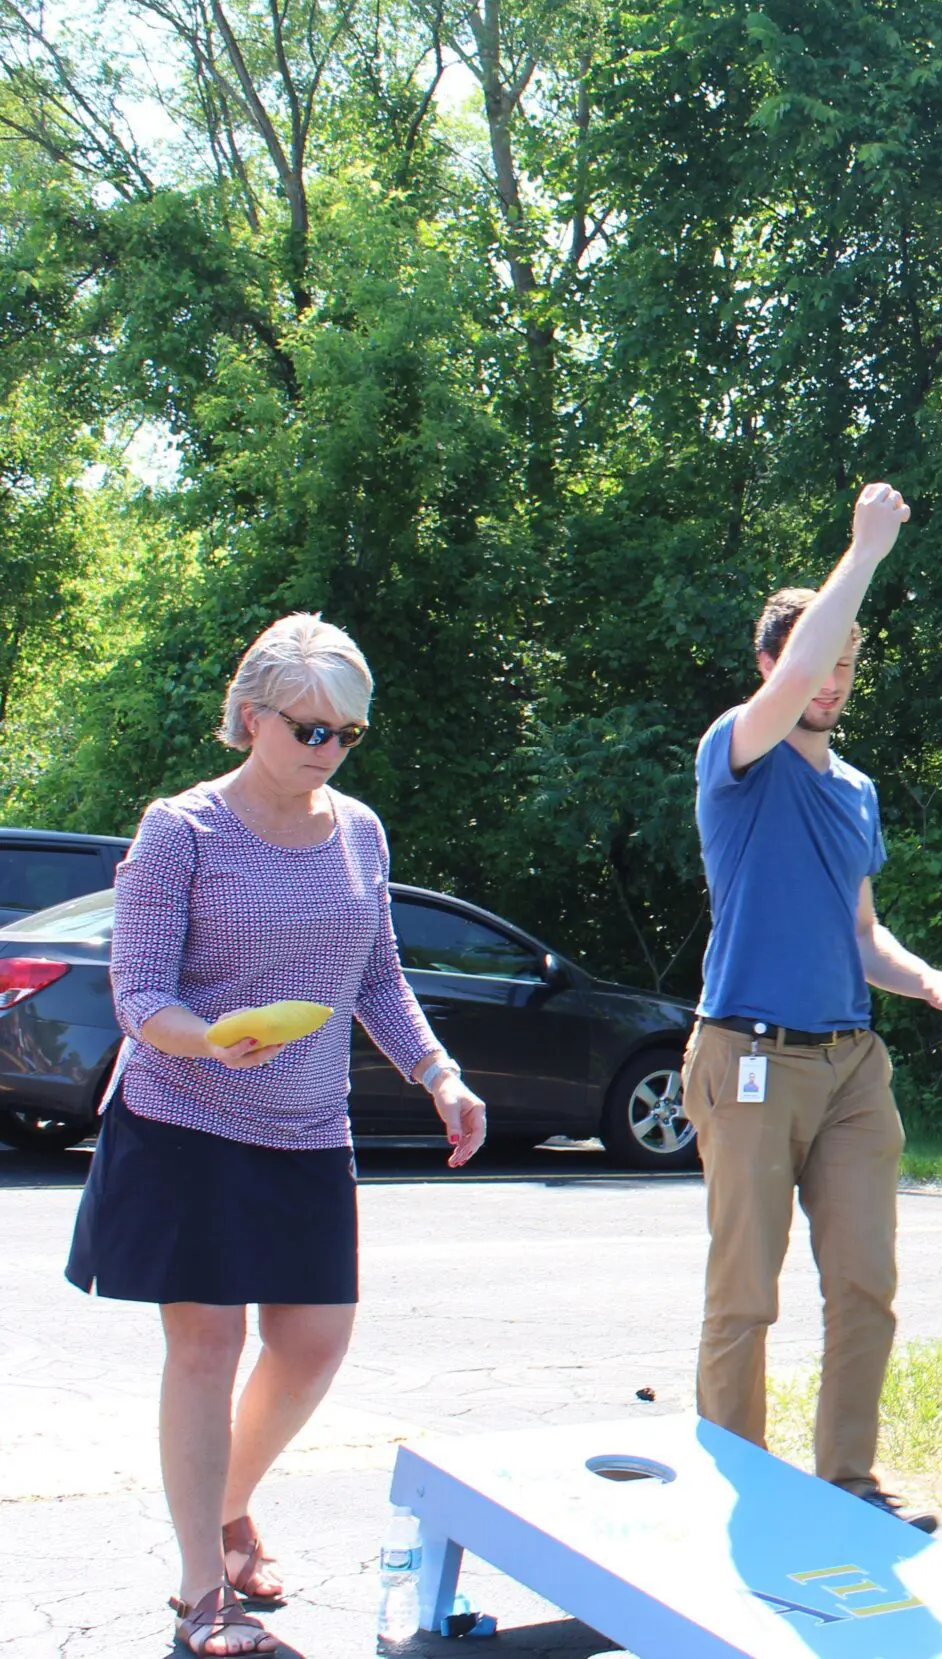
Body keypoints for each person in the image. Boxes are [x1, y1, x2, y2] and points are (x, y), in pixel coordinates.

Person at [65, 614, 487, 1656]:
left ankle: (226, 1501)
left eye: (349, 733)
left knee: (310, 1347)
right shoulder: (182, 830)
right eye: (310, 729)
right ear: (251, 718)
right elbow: (136, 993)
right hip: (184, 1116)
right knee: (205, 1345)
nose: (330, 751)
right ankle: (203, 1588)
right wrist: (205, 1040)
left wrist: (439, 1074)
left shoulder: (360, 831)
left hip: (305, 1125)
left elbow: (376, 977)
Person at [684, 481, 942, 1531]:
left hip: (851, 1064)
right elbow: (803, 662)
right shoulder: (740, 755)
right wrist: (863, 551)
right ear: (773, 668)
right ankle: (740, 1485)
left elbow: (864, 939)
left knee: (864, 1282)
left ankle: (848, 1485)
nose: (833, 683)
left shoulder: (855, 792)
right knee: (747, 1294)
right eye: (819, 663)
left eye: (850, 668)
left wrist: (930, 981)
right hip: (748, 1054)